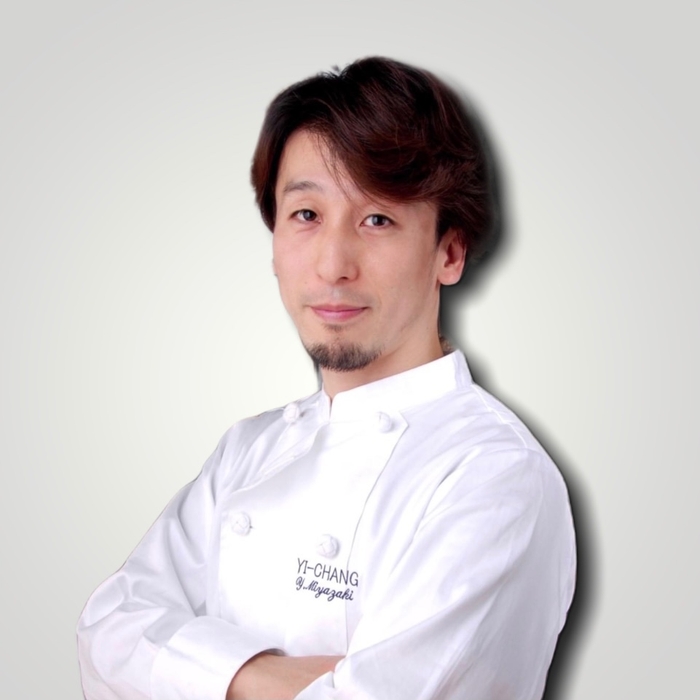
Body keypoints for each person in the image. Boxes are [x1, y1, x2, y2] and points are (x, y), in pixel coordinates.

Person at [77, 56, 576, 700]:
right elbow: (106, 633)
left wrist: (184, 671)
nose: (333, 265)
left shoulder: (495, 477)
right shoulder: (247, 452)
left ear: (449, 252)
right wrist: (262, 676)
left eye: (377, 219)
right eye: (306, 215)